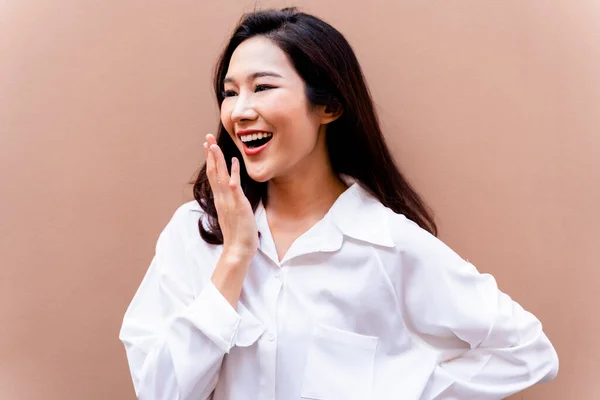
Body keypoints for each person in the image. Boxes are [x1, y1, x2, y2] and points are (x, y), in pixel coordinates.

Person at [119, 7, 558, 400]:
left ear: (328, 106)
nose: (239, 111)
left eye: (263, 87)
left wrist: (399, 389)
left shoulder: (387, 243)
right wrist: (234, 256)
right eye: (230, 92)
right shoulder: (196, 232)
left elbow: (528, 352)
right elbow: (161, 393)